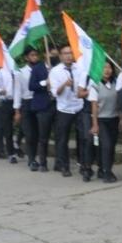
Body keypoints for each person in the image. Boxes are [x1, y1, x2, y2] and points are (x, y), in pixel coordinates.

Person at [50, 45, 83, 176]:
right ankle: (64, 165)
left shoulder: (79, 68)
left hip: (79, 107)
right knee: (63, 139)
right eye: (65, 53)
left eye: (70, 53)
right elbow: (54, 93)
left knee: (84, 137)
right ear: (60, 56)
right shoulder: (55, 71)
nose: (68, 56)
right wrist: (64, 85)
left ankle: (83, 163)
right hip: (64, 109)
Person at [89, 61, 122, 183]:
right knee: (107, 145)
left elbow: (119, 103)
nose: (107, 70)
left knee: (111, 146)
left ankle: (105, 168)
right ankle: (107, 172)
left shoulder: (116, 84)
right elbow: (94, 105)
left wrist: (121, 119)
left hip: (114, 118)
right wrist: (95, 124)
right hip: (101, 120)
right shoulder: (95, 84)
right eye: (104, 67)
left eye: (109, 67)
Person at [23, 48, 54, 172]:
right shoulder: (36, 69)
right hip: (37, 105)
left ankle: (60, 163)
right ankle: (39, 161)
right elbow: (31, 86)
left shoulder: (57, 69)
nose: (52, 56)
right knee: (38, 135)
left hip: (55, 105)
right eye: (50, 54)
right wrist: (44, 83)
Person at [0, 58, 18, 163]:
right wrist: (0, 91)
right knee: (8, 129)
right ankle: (11, 153)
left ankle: (17, 144)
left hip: (18, 102)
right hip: (6, 102)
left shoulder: (17, 70)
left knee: (24, 127)